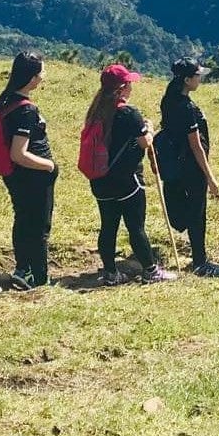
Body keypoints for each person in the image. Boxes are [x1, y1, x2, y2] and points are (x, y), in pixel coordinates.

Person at [86, 64, 173, 285]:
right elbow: (145, 142)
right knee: (135, 227)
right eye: (129, 83)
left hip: (100, 179)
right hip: (127, 180)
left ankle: (110, 273)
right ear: (122, 87)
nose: (131, 87)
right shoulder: (128, 113)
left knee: (108, 225)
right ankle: (150, 271)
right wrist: (150, 129)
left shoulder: (95, 111)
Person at [155, 57, 219, 278]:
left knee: (187, 210)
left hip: (174, 164)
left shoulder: (168, 100)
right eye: (198, 75)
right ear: (187, 80)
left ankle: (194, 250)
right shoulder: (186, 108)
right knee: (198, 214)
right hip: (191, 167)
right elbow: (196, 145)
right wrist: (210, 177)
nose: (200, 79)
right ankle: (200, 262)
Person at [0, 52, 56, 289]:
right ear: (32, 78)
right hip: (33, 177)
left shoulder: (6, 100)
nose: (43, 76)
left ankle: (23, 269)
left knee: (23, 219)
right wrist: (49, 165)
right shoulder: (25, 110)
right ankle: (39, 278)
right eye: (41, 72)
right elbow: (18, 153)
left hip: (16, 176)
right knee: (39, 227)